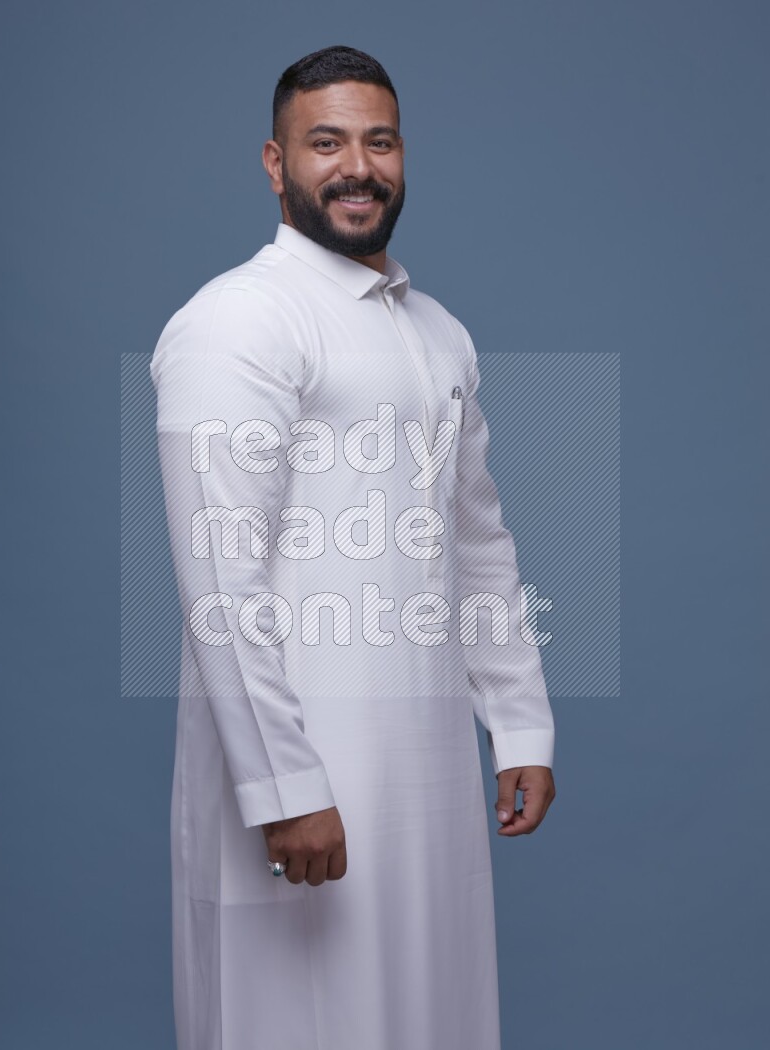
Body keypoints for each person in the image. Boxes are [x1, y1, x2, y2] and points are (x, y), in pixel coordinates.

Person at [151, 44, 556, 1050]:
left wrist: (519, 724)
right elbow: (221, 578)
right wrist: (284, 788)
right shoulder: (238, 321)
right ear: (274, 163)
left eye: (380, 141)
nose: (357, 167)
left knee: (429, 1018)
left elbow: (476, 541)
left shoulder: (438, 333)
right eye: (325, 143)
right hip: (303, 776)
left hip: (426, 779)